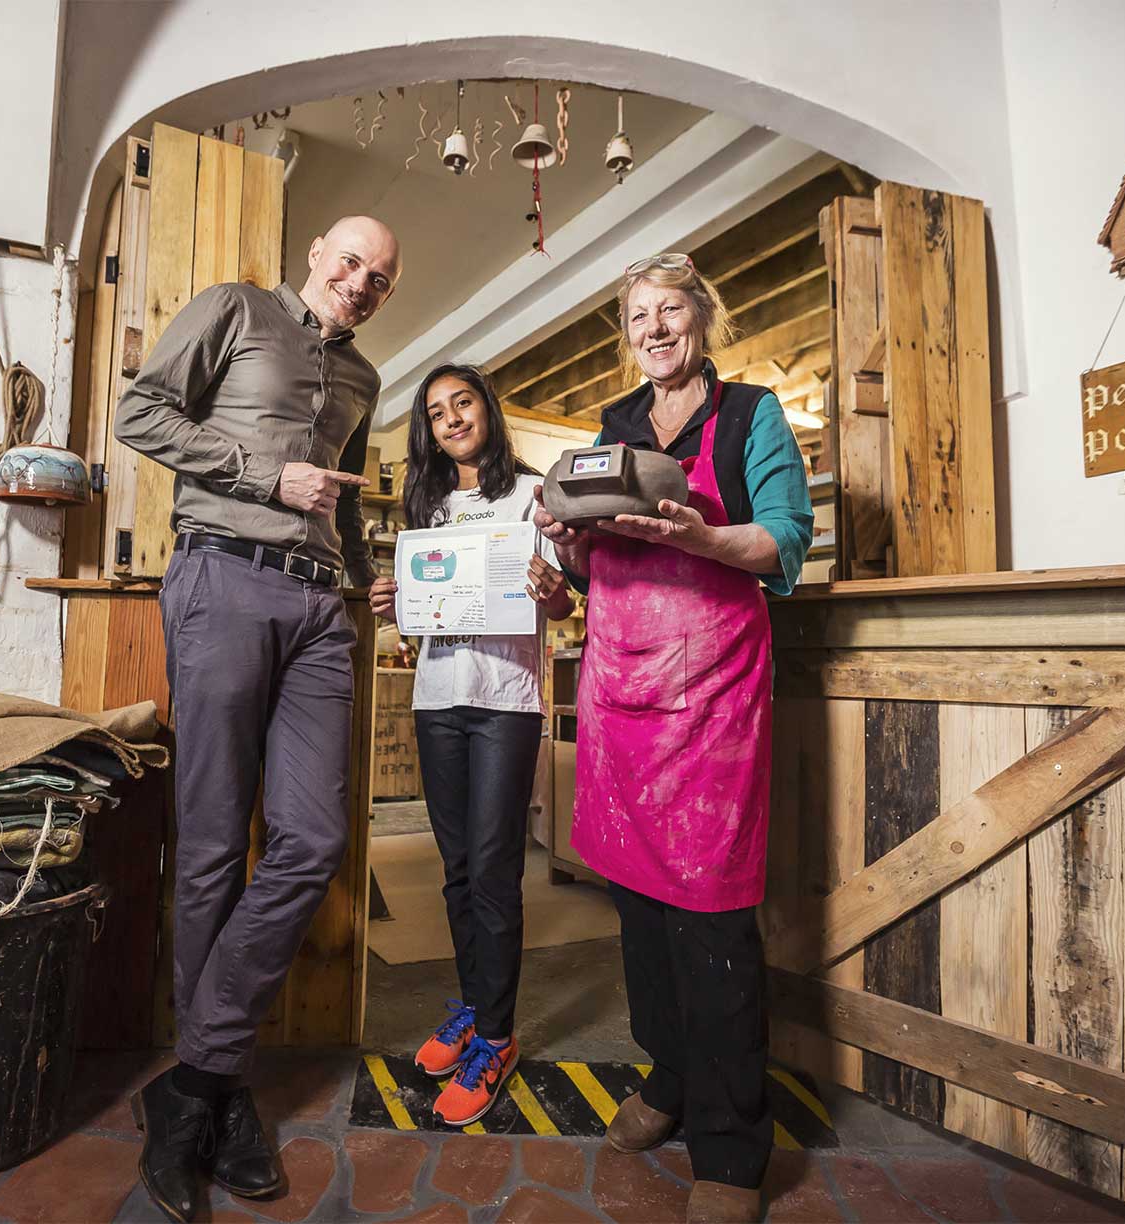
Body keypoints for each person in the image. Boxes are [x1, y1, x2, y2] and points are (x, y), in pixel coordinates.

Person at [113, 215, 402, 1224]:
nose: (360, 282)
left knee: (312, 839)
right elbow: (139, 413)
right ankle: (223, 1090)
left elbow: (344, 503)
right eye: (351, 262)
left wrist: (366, 585)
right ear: (318, 253)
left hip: (320, 609)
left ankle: (192, 1081)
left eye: (380, 279)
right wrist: (265, 475)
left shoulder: (364, 378)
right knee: (208, 845)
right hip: (222, 577)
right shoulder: (234, 310)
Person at [533, 253, 812, 1224]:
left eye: (669, 310)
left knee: (711, 917)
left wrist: (700, 537)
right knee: (639, 908)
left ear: (702, 315)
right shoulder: (611, 428)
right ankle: (671, 1077)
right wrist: (567, 550)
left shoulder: (750, 416)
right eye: (637, 316)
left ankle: (731, 1148)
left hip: (712, 701)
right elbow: (592, 557)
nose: (654, 328)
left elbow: (784, 537)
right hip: (621, 690)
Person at [367, 364, 572, 1127]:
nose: (452, 419)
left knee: (492, 870)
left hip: (505, 702)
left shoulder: (533, 495)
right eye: (437, 412)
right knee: (455, 869)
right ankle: (475, 1005)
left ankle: (496, 1036)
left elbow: (562, 598)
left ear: (488, 409)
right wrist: (393, 602)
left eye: (463, 403)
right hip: (437, 700)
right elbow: (420, 613)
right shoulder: (425, 504)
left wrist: (553, 591)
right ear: (428, 429)